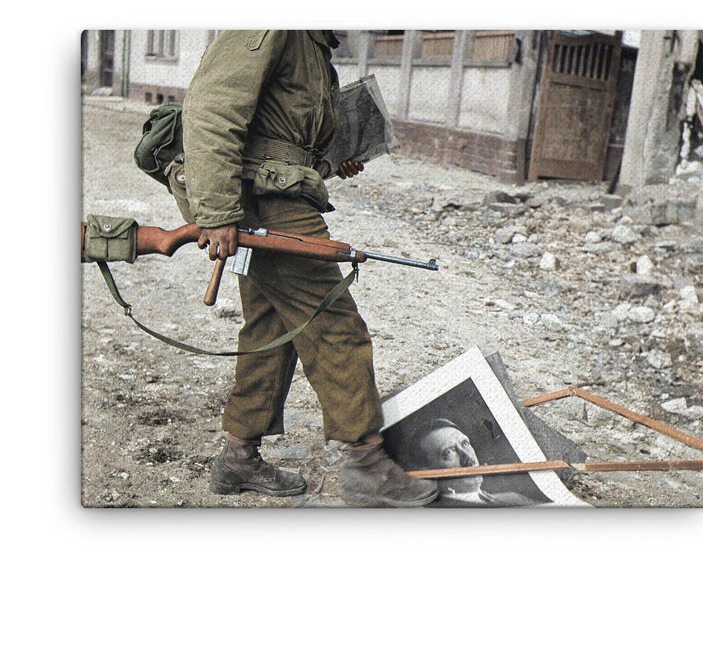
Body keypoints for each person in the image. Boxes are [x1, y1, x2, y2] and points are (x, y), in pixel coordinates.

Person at [180, 30, 438, 507]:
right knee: (334, 324)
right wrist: (215, 213)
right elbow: (211, 109)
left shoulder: (311, 40)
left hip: (278, 191)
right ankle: (368, 465)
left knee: (271, 326)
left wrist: (329, 158)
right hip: (264, 202)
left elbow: (280, 127)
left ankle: (237, 454)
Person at [409, 419, 540, 507]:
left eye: (465, 443)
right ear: (429, 473)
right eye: (449, 451)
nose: (467, 456)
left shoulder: (514, 498)